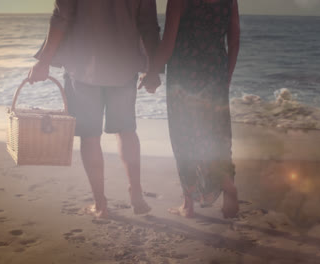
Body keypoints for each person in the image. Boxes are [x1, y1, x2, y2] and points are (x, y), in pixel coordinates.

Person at [28, 0, 161, 218]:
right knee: (126, 130)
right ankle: (136, 193)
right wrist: (153, 69)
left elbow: (62, 17)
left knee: (90, 137)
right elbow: (148, 25)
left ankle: (100, 204)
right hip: (124, 66)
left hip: (82, 66)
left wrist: (44, 61)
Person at [139, 0, 240, 218]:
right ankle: (227, 185)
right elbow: (234, 39)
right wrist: (226, 75)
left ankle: (188, 205)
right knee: (217, 134)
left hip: (185, 76)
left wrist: (152, 71)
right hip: (216, 72)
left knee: (185, 137)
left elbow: (168, 42)